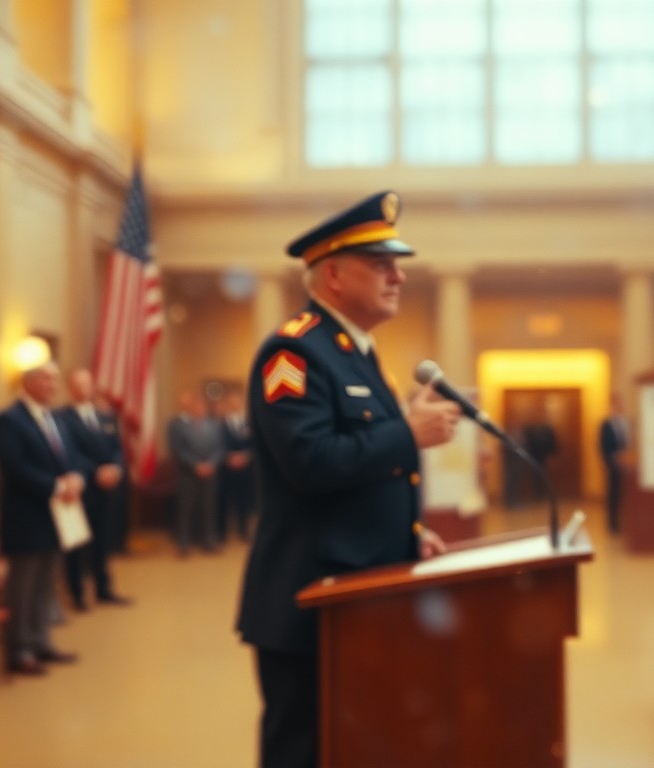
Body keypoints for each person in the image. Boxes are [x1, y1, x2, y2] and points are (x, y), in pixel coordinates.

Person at [234, 190, 460, 768]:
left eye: (397, 265)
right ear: (332, 274)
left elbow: (364, 479)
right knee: (303, 752)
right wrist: (407, 433)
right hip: (310, 603)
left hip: (358, 597)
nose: (398, 277)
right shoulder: (293, 353)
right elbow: (311, 463)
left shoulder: (355, 355)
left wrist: (408, 536)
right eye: (381, 265)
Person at [0, 362, 87, 675]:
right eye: (47, 379)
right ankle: (19, 649)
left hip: (56, 516)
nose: (53, 385)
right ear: (28, 382)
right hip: (25, 517)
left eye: (55, 379)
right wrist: (57, 486)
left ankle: (41, 641)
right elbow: (15, 467)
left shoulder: (55, 417)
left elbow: (70, 457)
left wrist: (76, 477)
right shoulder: (9, 420)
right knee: (23, 586)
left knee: (46, 583)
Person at [56, 369, 129, 611]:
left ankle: (104, 589)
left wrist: (116, 469)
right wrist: (95, 472)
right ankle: (77, 594)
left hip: (107, 489)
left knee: (103, 541)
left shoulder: (105, 416)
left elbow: (117, 448)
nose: (83, 389)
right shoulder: (61, 418)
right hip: (82, 488)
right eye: (77, 384)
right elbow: (70, 452)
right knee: (77, 545)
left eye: (87, 383)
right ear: (70, 388)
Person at [166, 391, 224, 555]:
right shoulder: (181, 426)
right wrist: (196, 465)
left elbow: (220, 448)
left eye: (202, 406)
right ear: (191, 408)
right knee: (185, 509)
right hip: (188, 475)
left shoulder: (214, 426)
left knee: (209, 509)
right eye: (196, 406)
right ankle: (183, 543)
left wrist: (211, 464)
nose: (199, 409)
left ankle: (209, 541)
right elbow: (178, 450)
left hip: (210, 473)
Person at [218, 391, 255, 542]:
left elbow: (255, 443)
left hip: (246, 467)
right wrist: (229, 456)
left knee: (244, 500)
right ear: (228, 404)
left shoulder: (249, 421)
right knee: (225, 500)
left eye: (237, 401)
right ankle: (222, 533)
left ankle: (243, 530)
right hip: (226, 466)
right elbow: (217, 443)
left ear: (241, 403)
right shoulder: (220, 423)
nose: (234, 404)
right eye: (231, 401)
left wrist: (246, 456)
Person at [598, 393, 629, 534]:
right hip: (613, 466)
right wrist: (609, 463)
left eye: (620, 404)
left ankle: (625, 523)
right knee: (613, 495)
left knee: (625, 495)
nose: (618, 407)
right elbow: (602, 446)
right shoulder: (606, 425)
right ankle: (613, 525)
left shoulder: (625, 424)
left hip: (625, 467)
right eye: (616, 404)